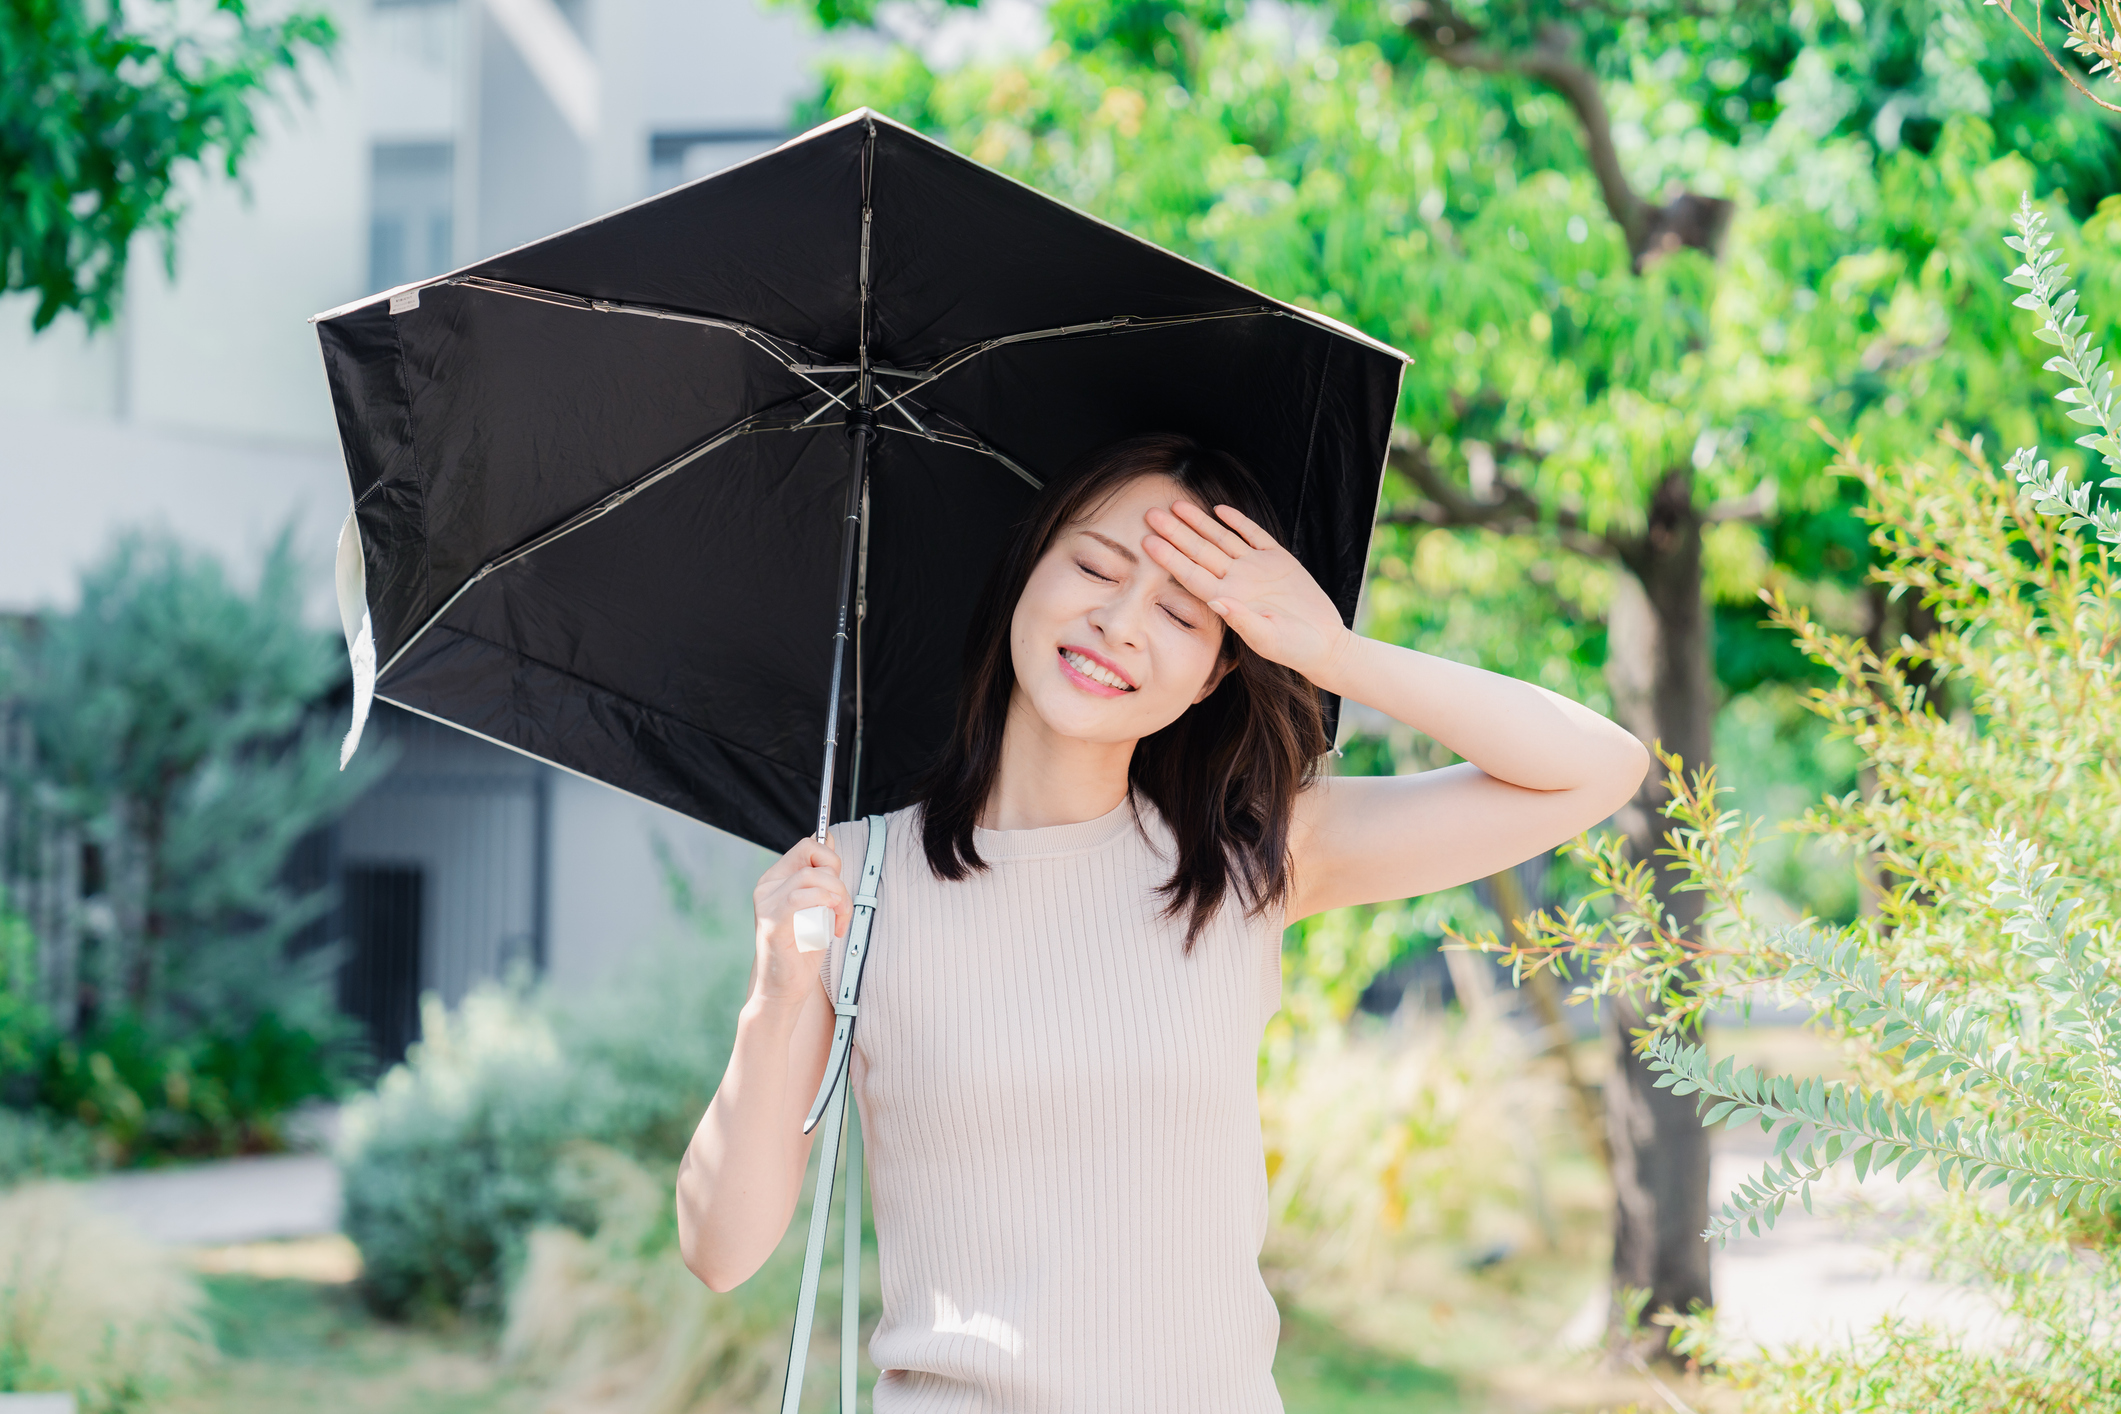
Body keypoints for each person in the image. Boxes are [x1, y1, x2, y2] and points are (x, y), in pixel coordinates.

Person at [674, 433, 1649, 1412]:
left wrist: (1335, 655)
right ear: (1026, 568)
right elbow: (722, 1249)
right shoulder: (858, 878)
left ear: (1219, 669)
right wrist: (776, 997)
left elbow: (1599, 768)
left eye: (1181, 611)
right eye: (1094, 565)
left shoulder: (1246, 859)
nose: (1118, 621)